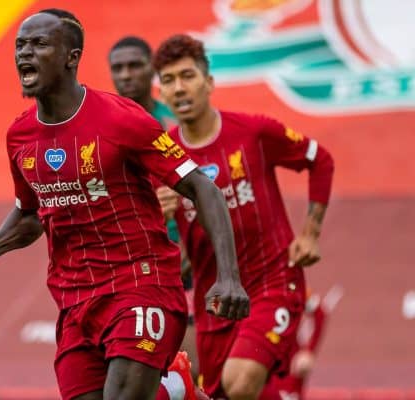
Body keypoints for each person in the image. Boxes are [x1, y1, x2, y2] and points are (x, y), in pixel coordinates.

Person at [0, 10, 249, 400]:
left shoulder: (122, 120)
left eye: (39, 44)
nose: (25, 53)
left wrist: (228, 276)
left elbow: (203, 188)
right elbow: (30, 213)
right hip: (74, 302)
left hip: (141, 285)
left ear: (70, 57)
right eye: (20, 45)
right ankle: (178, 391)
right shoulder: (20, 135)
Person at [152, 34, 334, 400]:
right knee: (220, 393)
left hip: (273, 282)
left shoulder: (254, 132)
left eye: (188, 76)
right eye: (169, 80)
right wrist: (157, 214)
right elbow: (175, 251)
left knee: (240, 382)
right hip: (215, 300)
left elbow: (320, 159)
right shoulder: (163, 155)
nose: (179, 88)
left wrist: (310, 234)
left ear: (209, 82)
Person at [108, 35, 199, 381]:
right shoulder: (102, 126)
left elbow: (207, 184)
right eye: (118, 68)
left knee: (187, 372)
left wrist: (192, 244)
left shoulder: (177, 123)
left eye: (135, 65)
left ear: (153, 71)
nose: (126, 75)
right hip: (127, 264)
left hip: (182, 263)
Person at [268, 285, 343, 400]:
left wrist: (308, 352)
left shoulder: (291, 285)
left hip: (288, 360)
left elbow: (319, 313)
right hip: (261, 355)